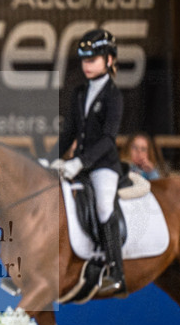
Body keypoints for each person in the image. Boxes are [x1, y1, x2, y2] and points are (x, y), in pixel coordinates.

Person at [47, 28, 125, 296]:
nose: (87, 65)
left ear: (109, 60)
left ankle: (115, 271)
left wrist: (80, 162)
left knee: (104, 205)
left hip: (103, 164)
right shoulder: (80, 92)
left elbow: (108, 139)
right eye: (84, 60)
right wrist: (52, 159)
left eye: (93, 59)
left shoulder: (114, 95)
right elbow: (69, 131)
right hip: (76, 162)